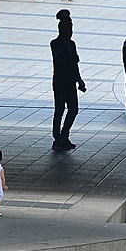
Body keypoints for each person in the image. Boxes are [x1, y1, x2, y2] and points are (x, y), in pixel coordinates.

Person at [50, 10, 86, 150]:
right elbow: (64, 62)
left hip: (70, 81)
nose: (70, 30)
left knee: (73, 109)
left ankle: (64, 135)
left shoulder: (71, 44)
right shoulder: (56, 44)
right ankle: (58, 137)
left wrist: (79, 80)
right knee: (59, 109)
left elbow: (75, 64)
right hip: (60, 81)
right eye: (67, 27)